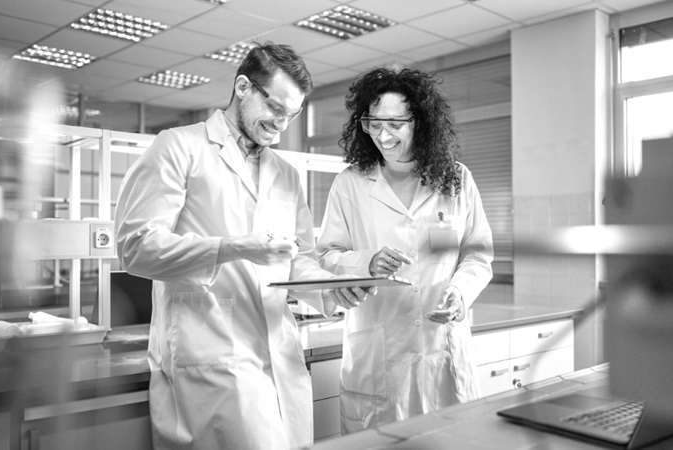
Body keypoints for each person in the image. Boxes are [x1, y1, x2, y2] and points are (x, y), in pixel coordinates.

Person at [114, 42, 373, 450]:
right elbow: (136, 247)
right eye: (275, 108)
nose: (281, 124)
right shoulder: (180, 147)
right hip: (209, 352)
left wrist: (332, 286)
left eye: (291, 115)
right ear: (242, 87)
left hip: (279, 352)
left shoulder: (286, 174)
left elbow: (298, 259)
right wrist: (236, 248)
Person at [316, 66, 494, 434]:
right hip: (379, 363)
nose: (383, 135)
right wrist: (366, 261)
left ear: (420, 122)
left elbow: (477, 254)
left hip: (441, 351)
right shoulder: (350, 185)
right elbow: (326, 256)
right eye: (373, 123)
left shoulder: (456, 180)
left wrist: (460, 293)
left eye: (396, 124)